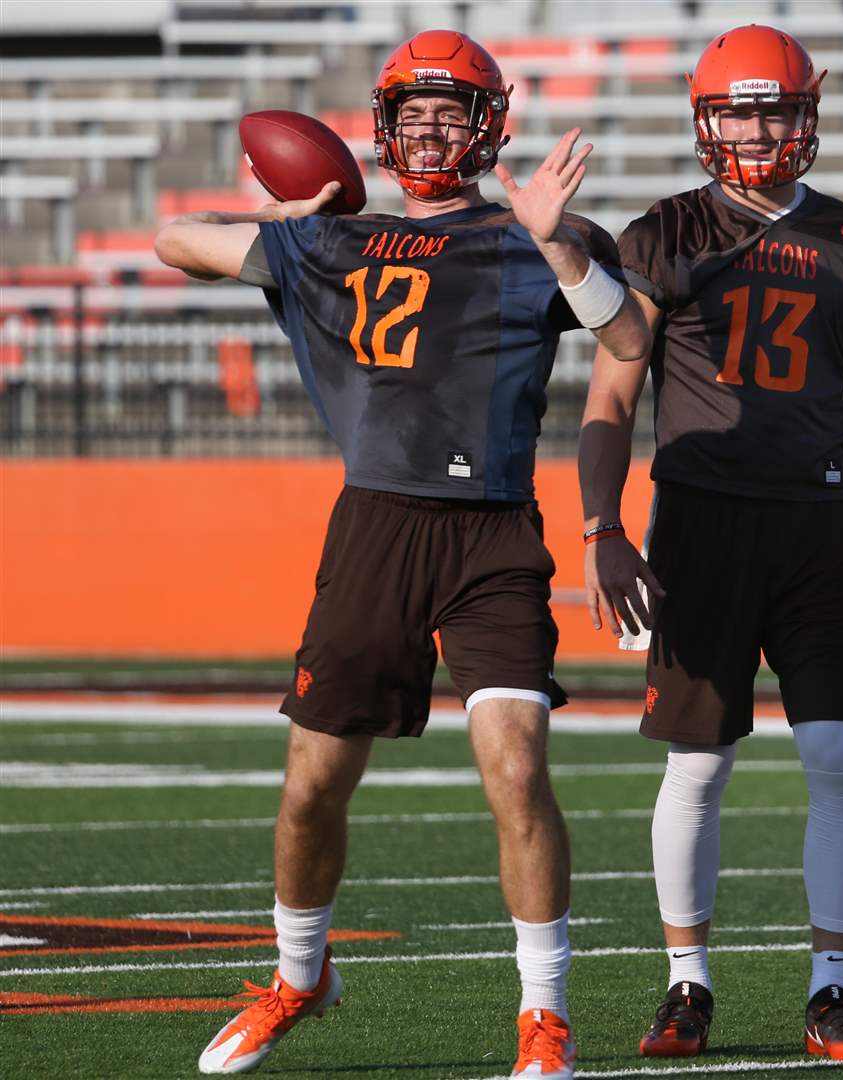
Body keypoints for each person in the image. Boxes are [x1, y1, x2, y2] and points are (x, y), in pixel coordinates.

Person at [155, 29, 649, 1078]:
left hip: (492, 531)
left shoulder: (534, 238)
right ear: (381, 131)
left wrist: (560, 243)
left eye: (451, 111)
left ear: (487, 128)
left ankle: (544, 1017)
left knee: (518, 770)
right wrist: (285, 218)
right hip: (375, 526)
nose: (431, 127)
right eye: (412, 112)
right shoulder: (330, 242)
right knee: (310, 788)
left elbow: (629, 340)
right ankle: (298, 977)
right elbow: (174, 240)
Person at [577, 23, 843, 1064]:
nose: (757, 129)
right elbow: (615, 388)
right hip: (700, 521)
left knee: (835, 755)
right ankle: (687, 986)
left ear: (805, 115)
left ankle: (831, 994)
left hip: (817, 523)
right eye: (740, 110)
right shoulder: (665, 233)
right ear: (706, 119)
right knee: (698, 765)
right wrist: (601, 524)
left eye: (773, 109)